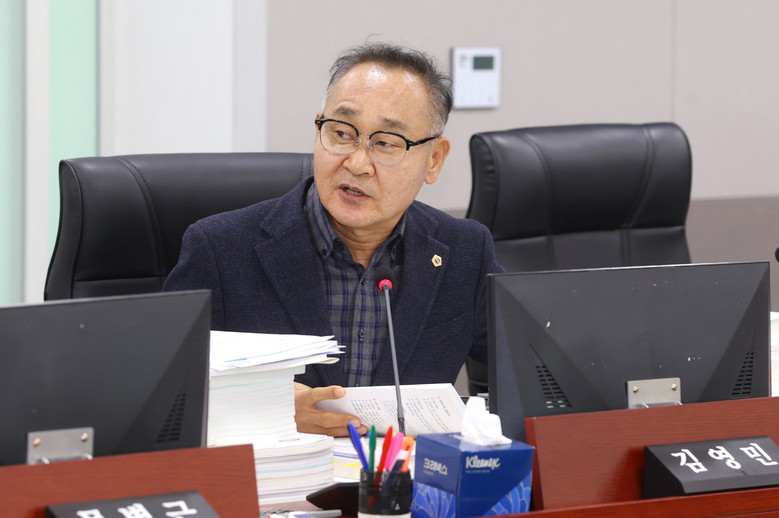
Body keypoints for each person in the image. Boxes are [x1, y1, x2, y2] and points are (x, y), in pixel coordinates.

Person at [163, 42, 502, 437]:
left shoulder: (464, 251)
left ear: (434, 160)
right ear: (318, 129)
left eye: (386, 143)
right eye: (342, 133)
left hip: (405, 474)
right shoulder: (220, 249)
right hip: (280, 473)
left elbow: (535, 374)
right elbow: (164, 398)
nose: (357, 163)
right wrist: (263, 409)